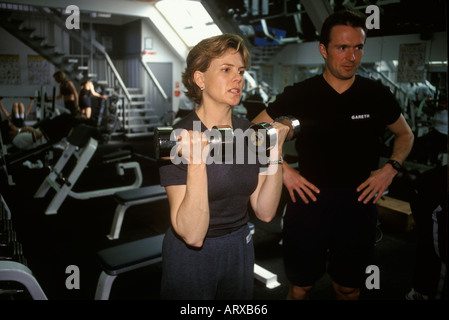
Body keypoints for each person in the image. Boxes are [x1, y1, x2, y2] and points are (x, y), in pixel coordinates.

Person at [252, 10, 414, 300]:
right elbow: (254, 131)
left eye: (358, 47)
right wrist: (283, 169)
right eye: (342, 47)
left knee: (349, 288)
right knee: (301, 287)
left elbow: (406, 134)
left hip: (359, 205)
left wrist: (391, 167)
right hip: (307, 203)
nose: (351, 57)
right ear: (323, 50)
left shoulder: (376, 94)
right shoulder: (301, 93)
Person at [158, 33, 289, 300]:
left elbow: (264, 212)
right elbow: (192, 235)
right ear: (200, 78)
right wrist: (196, 161)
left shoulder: (250, 133)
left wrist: (276, 150)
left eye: (240, 71)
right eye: (226, 69)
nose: (238, 78)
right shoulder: (179, 137)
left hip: (240, 245)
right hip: (193, 254)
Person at [405, 165, 447, 300]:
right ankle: (422, 292)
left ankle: (421, 290)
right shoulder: (432, 183)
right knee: (437, 251)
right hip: (430, 194)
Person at [1, 113, 78, 150]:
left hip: (47, 133)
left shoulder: (17, 137)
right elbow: (39, 135)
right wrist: (29, 129)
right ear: (10, 132)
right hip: (48, 136)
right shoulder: (18, 139)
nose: (15, 126)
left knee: (66, 118)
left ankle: (78, 122)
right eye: (12, 126)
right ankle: (79, 123)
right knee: (67, 118)